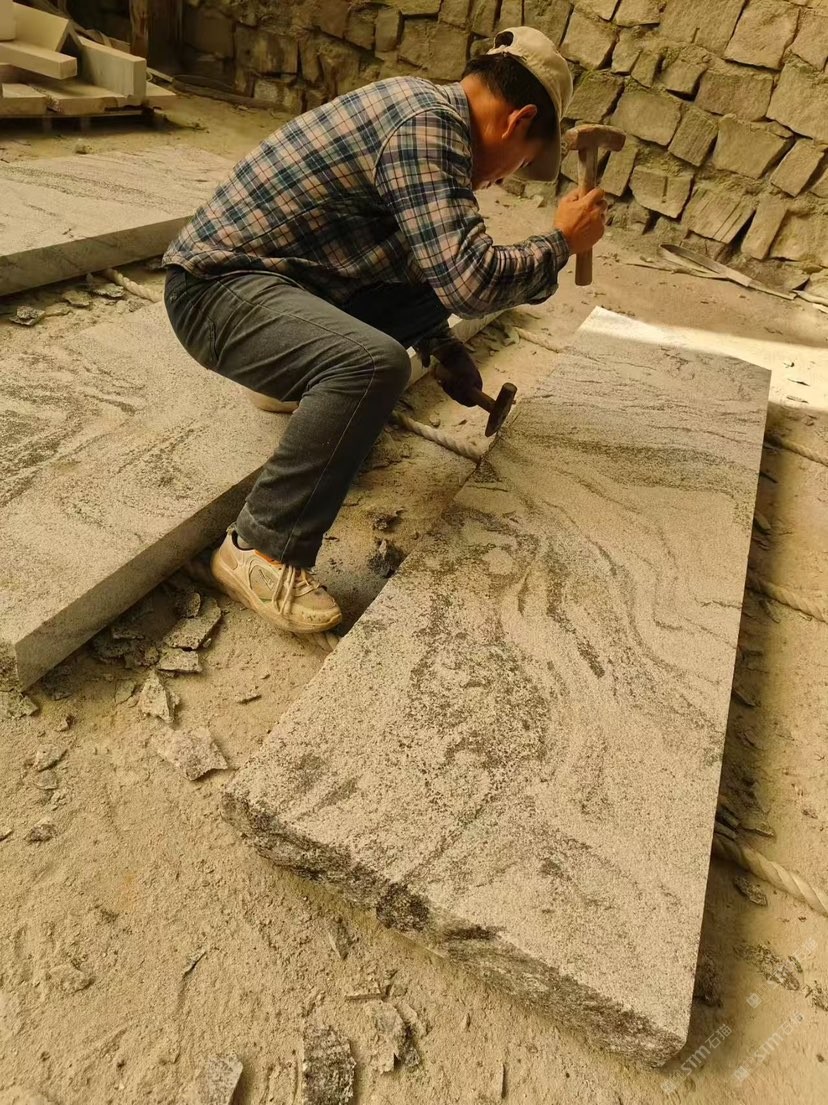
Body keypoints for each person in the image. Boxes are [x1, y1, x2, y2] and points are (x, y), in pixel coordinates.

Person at [163, 25, 607, 635]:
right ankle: (260, 549)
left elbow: (416, 269)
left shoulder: (427, 116)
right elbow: (472, 283)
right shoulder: (426, 128)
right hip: (214, 292)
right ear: (517, 120)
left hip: (274, 288)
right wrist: (560, 243)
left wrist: (442, 345)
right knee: (373, 364)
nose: (502, 179)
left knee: (411, 311)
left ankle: (289, 378)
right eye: (522, 163)